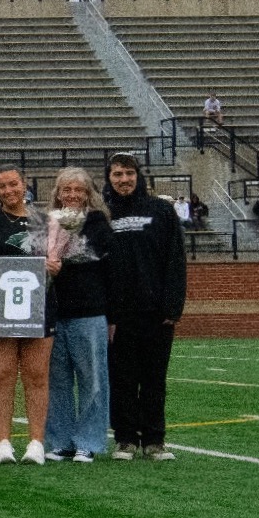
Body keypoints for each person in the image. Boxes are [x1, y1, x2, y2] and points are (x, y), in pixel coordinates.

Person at [104, 151, 187, 462]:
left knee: (154, 379)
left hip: (155, 313)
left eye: (128, 173)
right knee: (122, 379)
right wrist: (107, 313)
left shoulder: (162, 211)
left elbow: (176, 261)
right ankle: (125, 439)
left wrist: (172, 307)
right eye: (117, 175)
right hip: (118, 316)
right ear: (109, 179)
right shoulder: (104, 214)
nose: (124, 180)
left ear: (138, 176)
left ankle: (155, 440)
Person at [0, 165, 55, 465]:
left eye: (13, 184)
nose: (8, 191)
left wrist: (56, 267)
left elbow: (57, 265)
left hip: (39, 311)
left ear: (24, 185)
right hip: (1, 314)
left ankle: (36, 442)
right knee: (2, 376)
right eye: (1, 186)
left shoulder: (44, 222)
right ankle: (4, 442)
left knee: (36, 376)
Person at [40, 168, 119, 464]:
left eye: (79, 190)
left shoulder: (98, 224)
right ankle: (60, 440)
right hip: (54, 313)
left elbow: (107, 269)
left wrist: (112, 316)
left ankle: (88, 440)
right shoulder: (46, 224)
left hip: (89, 312)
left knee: (92, 380)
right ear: (57, 194)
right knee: (56, 381)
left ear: (89, 194)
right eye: (66, 190)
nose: (72, 195)